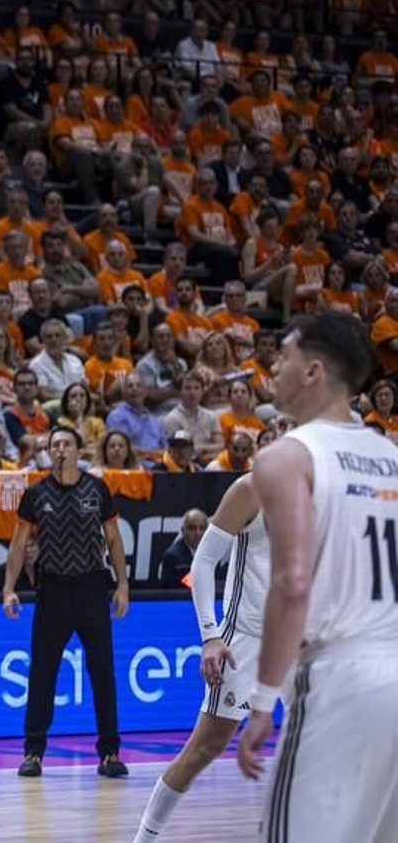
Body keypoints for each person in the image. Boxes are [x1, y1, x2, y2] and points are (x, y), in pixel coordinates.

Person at [236, 311, 398, 840]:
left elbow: (293, 583)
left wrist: (262, 702)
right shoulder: (390, 455)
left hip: (340, 675)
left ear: (313, 371)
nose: (274, 367)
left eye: (284, 355)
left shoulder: (286, 456)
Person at [133, 474, 267, 842]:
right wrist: (210, 635)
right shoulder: (251, 489)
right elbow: (203, 562)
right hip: (247, 639)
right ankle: (144, 839)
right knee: (205, 747)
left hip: (305, 638)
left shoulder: (331, 486)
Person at [1, 426, 130, 779]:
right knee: (42, 673)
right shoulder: (35, 493)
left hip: (92, 588)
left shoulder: (97, 488)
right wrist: (9, 588)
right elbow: (18, 544)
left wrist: (122, 586)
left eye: (66, 444)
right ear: (49, 452)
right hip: (53, 590)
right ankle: (33, 752)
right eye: (54, 445)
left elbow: (114, 540)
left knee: (102, 671)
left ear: (77, 450)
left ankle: (109, 753)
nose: (60, 450)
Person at [157, 508, 209, 588]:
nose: (198, 533)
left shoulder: (213, 553)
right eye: (192, 528)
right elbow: (168, 590)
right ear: (183, 531)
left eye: (202, 528)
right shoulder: (172, 557)